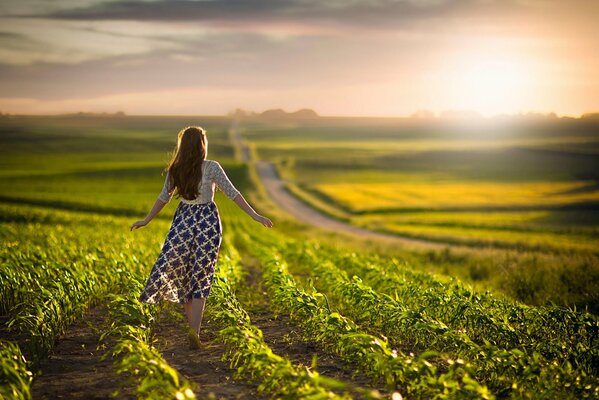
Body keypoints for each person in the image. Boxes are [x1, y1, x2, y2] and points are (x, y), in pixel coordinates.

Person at [130, 126, 273, 348]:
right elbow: (233, 193)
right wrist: (254, 215)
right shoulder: (211, 167)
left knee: (185, 276)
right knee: (201, 275)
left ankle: (193, 332)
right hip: (207, 224)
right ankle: (194, 333)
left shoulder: (175, 169)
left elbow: (162, 198)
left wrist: (147, 219)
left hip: (183, 223)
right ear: (201, 145)